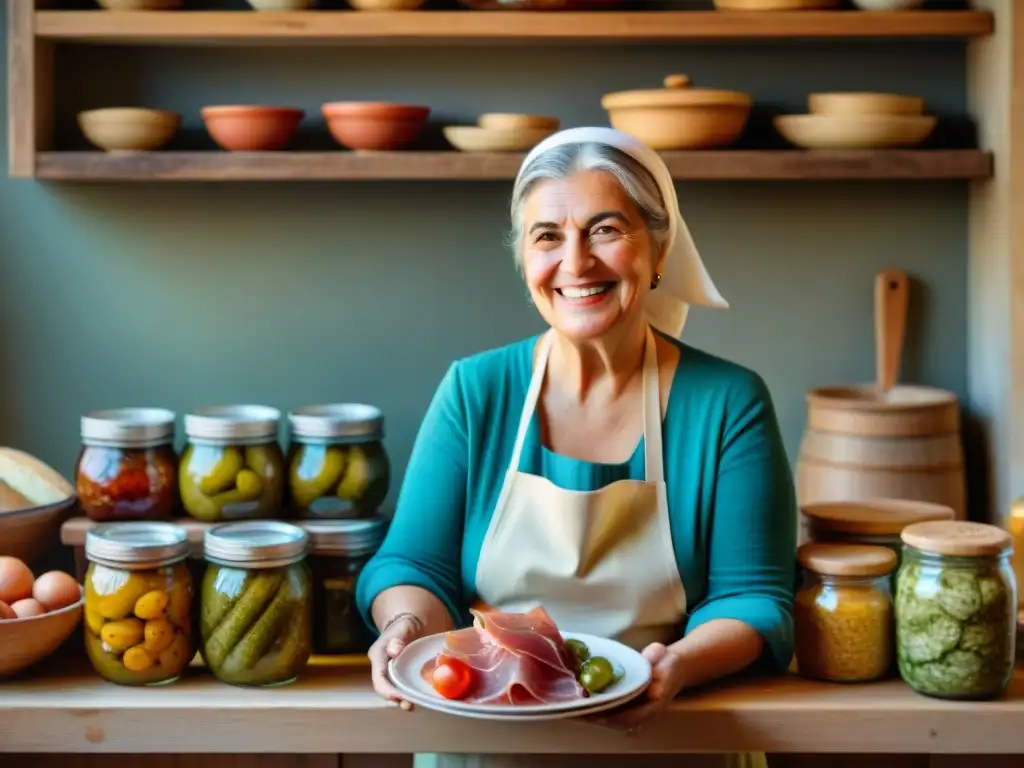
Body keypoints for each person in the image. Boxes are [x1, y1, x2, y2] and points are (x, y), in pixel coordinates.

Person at [355, 126, 797, 768]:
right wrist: (405, 630)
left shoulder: (727, 402)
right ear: (524, 260)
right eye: (547, 237)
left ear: (660, 246)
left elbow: (752, 596)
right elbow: (414, 566)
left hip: (673, 745)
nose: (576, 263)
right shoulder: (476, 392)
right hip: (485, 750)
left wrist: (675, 666)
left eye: (606, 230)